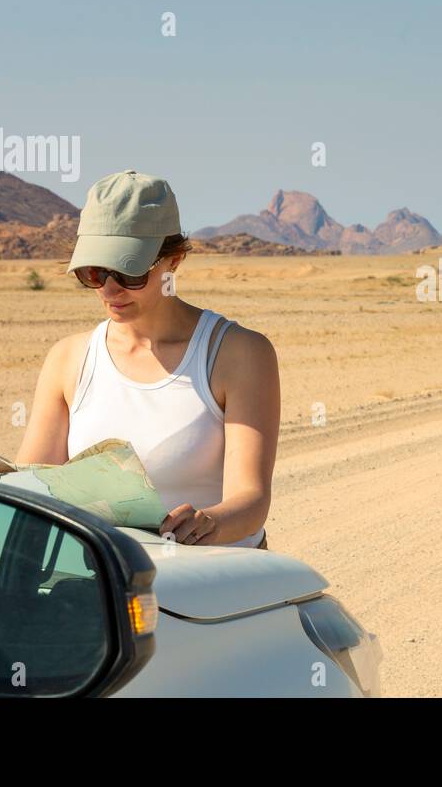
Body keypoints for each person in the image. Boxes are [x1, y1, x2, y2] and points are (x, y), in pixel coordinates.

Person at [15, 170, 279, 548]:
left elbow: (251, 501)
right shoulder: (68, 359)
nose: (109, 289)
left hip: (212, 586)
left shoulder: (237, 354)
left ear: (174, 260)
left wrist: (208, 524)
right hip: (104, 583)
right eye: (95, 272)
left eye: (128, 271)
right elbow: (33, 489)